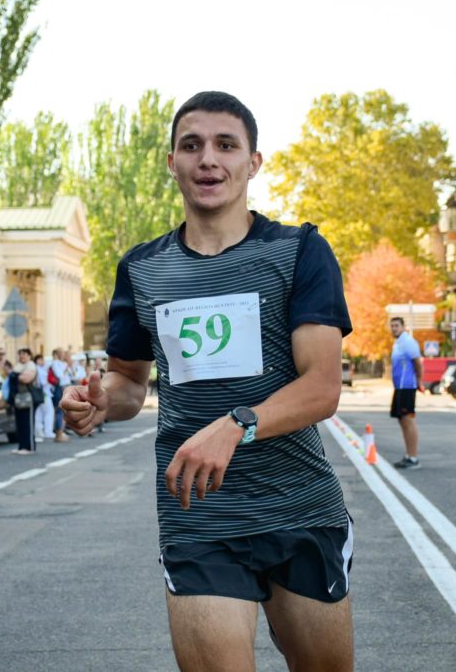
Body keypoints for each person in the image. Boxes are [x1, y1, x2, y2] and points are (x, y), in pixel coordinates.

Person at [62, 91, 354, 671]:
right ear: (172, 162)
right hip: (198, 513)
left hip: (298, 506)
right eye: (191, 145)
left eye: (226, 145)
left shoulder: (298, 252)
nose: (208, 159)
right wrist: (99, 402)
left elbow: (321, 387)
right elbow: (128, 382)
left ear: (254, 162)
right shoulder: (142, 268)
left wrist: (236, 425)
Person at [389, 317, 423, 470]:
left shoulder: (408, 341)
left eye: (396, 326)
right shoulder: (398, 343)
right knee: (402, 421)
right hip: (399, 388)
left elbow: (418, 363)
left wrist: (419, 381)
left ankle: (413, 458)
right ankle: (408, 455)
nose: (394, 328)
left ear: (403, 327)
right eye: (392, 326)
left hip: (407, 387)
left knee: (408, 420)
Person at [10, 348, 38, 455]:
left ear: (29, 356)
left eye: (24, 354)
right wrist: (19, 375)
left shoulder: (31, 365)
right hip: (18, 397)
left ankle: (29, 447)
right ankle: (21, 446)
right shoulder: (18, 366)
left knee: (28, 422)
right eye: (20, 354)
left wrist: (17, 376)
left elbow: (26, 379)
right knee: (20, 422)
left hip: (28, 397)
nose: (22, 356)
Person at [50, 348, 71, 442]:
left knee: (64, 411)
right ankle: (58, 434)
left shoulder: (64, 364)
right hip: (60, 388)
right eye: (62, 353)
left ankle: (61, 432)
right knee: (60, 411)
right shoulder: (55, 363)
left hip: (66, 387)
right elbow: (60, 375)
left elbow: (72, 375)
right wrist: (66, 368)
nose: (64, 355)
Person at [35, 354, 55, 439]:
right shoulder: (38, 369)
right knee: (48, 412)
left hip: (41, 393)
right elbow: (43, 382)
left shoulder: (38, 369)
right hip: (43, 393)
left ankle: (39, 431)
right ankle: (47, 431)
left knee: (39, 413)